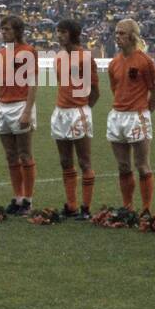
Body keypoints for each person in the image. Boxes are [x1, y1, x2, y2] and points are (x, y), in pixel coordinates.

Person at [0, 15, 39, 215]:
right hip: (3, 107)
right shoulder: (2, 53)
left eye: (7, 29)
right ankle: (17, 198)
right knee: (10, 156)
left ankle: (28, 200)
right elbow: (0, 84)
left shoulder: (29, 51)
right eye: (2, 29)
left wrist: (27, 110)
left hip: (20, 105)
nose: (3, 33)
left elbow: (33, 83)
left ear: (17, 31)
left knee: (25, 155)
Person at [106, 19, 155, 213]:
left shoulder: (144, 61)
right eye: (116, 33)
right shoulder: (114, 63)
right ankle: (127, 207)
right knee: (123, 166)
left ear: (132, 36)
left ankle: (146, 209)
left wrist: (144, 113)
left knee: (143, 166)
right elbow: (115, 88)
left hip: (137, 116)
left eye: (121, 34)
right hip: (117, 116)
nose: (117, 37)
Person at [51, 18, 99, 219]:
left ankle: (86, 208)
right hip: (60, 112)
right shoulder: (60, 57)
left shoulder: (84, 58)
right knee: (65, 161)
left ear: (72, 34)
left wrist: (84, 109)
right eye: (58, 31)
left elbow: (95, 91)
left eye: (63, 32)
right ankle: (71, 205)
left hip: (78, 112)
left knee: (84, 161)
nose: (59, 35)